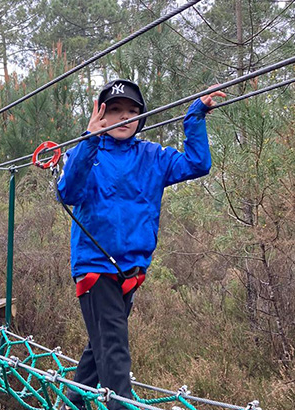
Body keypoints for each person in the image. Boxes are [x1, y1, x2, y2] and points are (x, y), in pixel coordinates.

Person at [57, 79, 225, 410]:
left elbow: (197, 164)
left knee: (100, 344)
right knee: (114, 348)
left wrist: (195, 116)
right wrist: (89, 141)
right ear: (100, 116)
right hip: (95, 267)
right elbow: (68, 193)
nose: (124, 117)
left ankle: (73, 401)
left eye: (131, 111)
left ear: (142, 117)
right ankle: (121, 405)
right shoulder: (84, 153)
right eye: (115, 110)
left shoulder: (152, 156)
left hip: (132, 270)